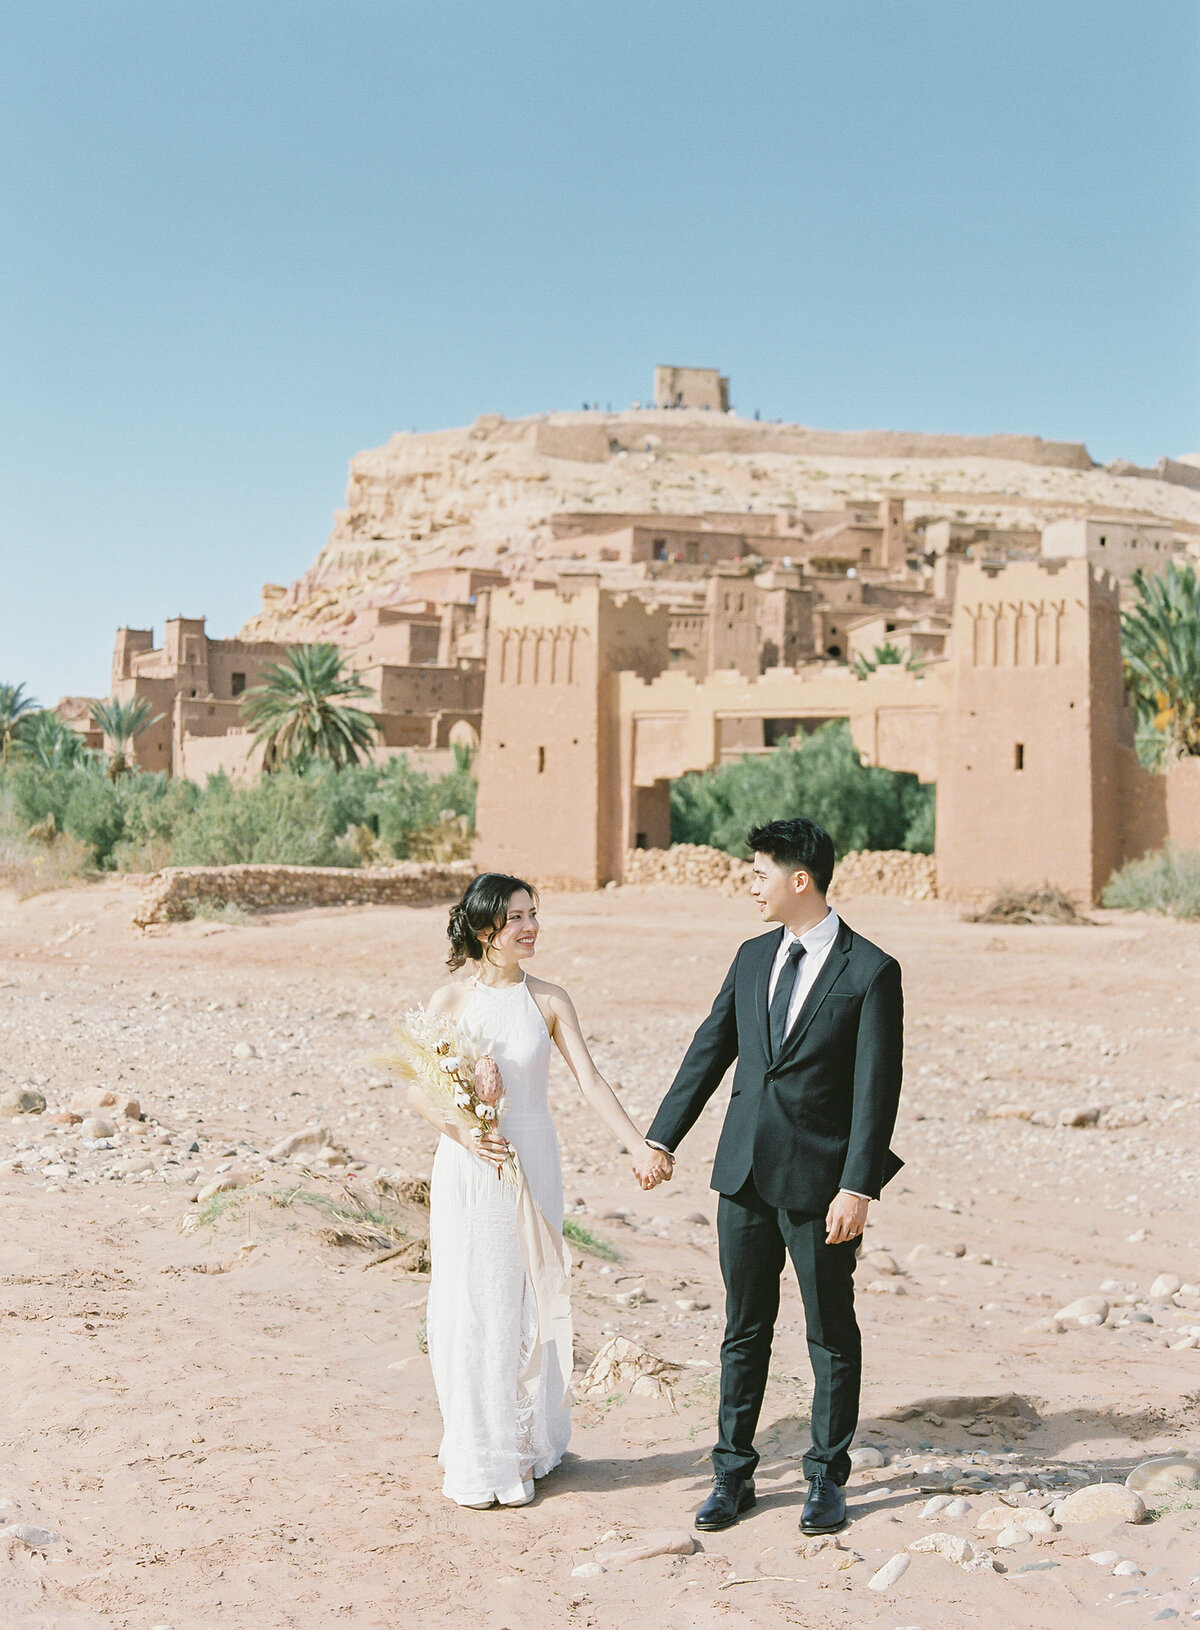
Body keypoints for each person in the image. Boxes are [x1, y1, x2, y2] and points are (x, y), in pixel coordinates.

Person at [645, 818, 904, 1537]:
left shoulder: (871, 970)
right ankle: (733, 1476)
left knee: (829, 1335)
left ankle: (826, 1479)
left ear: (800, 879)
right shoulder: (753, 955)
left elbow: (875, 1091)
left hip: (823, 1187)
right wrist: (662, 1137)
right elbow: (710, 1049)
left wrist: (858, 1186)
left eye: (759, 872)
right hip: (743, 1176)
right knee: (742, 1330)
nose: (749, 883)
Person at [412, 872, 672, 1509]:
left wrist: (638, 1144)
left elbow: (589, 1080)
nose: (531, 928)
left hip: (534, 1160)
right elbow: (418, 1090)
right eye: (516, 918)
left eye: (534, 914)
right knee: (474, 1301)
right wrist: (467, 1134)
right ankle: (481, 1451)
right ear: (484, 931)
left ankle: (526, 1447)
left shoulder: (550, 999)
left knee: (527, 1296)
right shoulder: (448, 1001)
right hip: (471, 1166)